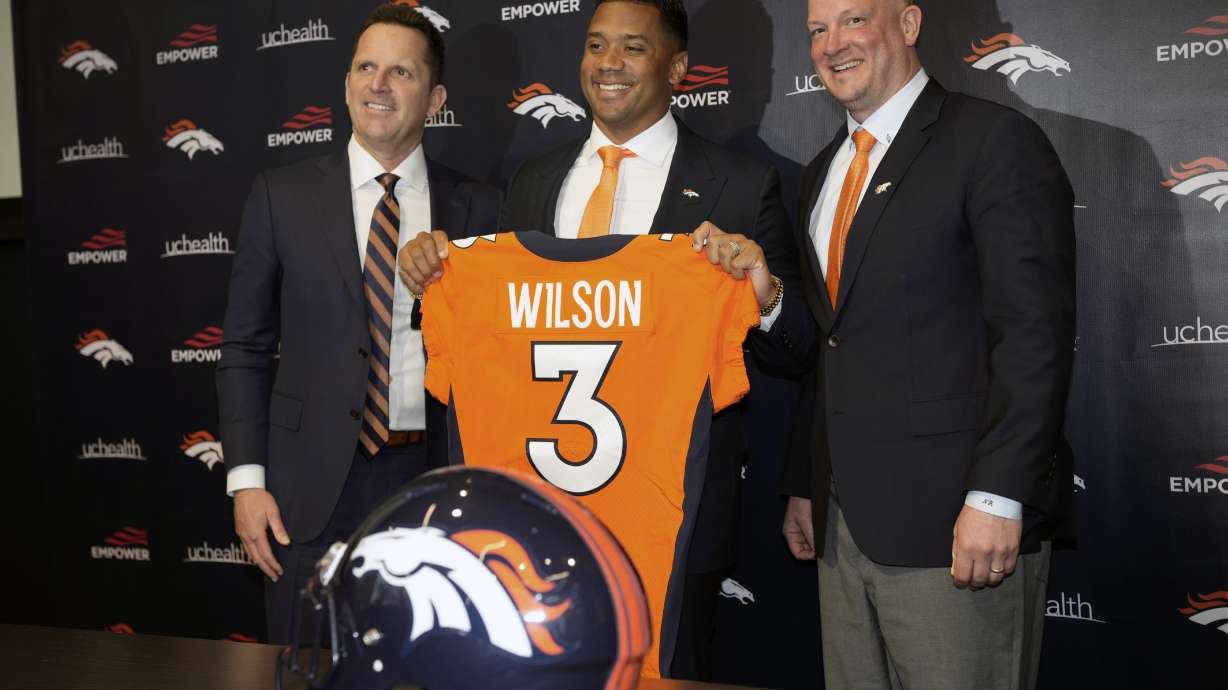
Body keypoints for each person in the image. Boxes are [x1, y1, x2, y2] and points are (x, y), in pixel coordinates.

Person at [398, 0, 795, 679]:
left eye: (633, 48)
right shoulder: (533, 179)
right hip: (536, 527)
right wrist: (430, 275)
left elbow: (798, 349)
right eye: (595, 45)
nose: (608, 64)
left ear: (677, 67)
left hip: (673, 522)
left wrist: (761, 292)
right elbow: (496, 336)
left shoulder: (742, 181)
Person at [768, 0, 1076, 687]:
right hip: (843, 528)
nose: (831, 45)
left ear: (908, 25)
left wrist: (999, 495)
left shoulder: (993, 141)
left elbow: (1033, 335)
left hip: (956, 530)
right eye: (817, 30)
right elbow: (834, 342)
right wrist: (804, 482)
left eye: (853, 21)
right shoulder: (821, 172)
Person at [216, 4, 500, 645]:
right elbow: (244, 348)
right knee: (311, 671)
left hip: (431, 486)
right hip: (304, 494)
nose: (379, 84)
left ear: (435, 98)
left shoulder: (482, 207)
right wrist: (247, 484)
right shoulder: (279, 194)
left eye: (401, 72)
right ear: (345, 84)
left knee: (431, 666)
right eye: (366, 68)